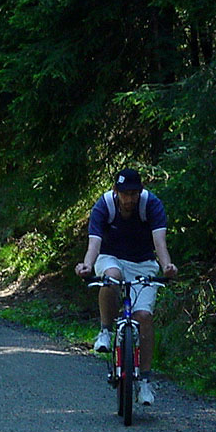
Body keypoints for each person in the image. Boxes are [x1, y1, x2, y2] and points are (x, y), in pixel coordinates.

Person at [75, 168, 178, 406]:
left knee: (144, 316)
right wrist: (86, 266)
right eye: (124, 194)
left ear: (139, 192)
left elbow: (159, 241)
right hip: (111, 257)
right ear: (116, 191)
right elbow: (94, 243)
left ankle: (145, 381)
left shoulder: (151, 204)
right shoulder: (104, 206)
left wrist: (167, 266)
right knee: (111, 277)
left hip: (144, 263)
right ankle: (105, 331)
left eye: (133, 194)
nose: (129, 199)